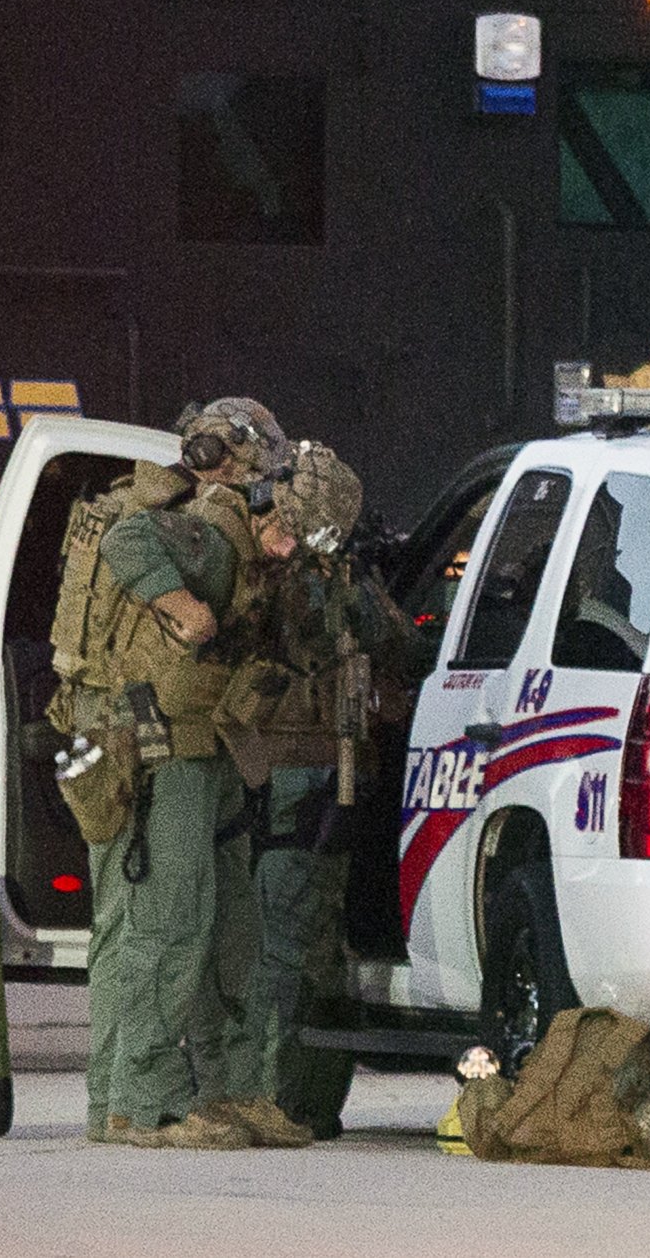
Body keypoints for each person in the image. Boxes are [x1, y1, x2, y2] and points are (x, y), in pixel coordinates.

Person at [73, 398, 298, 1149]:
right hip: (152, 735)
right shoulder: (190, 521)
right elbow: (130, 544)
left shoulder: (190, 514)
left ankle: (140, 1095)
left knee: (177, 920)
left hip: (170, 731)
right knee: (162, 920)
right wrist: (182, 607)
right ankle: (145, 1102)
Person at [215, 442, 416, 1143]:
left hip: (311, 780)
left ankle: (292, 1097)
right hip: (297, 779)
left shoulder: (306, 577)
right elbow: (397, 645)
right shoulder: (308, 582)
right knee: (292, 945)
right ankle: (279, 1096)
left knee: (301, 943)